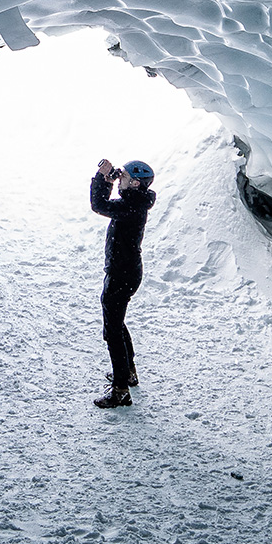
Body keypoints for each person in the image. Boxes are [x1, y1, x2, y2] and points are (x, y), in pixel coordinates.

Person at [90, 157, 156, 408]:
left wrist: (100, 179)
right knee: (117, 323)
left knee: (112, 331)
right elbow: (108, 203)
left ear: (136, 184)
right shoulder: (136, 202)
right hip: (126, 272)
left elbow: (99, 205)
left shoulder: (132, 207)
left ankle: (121, 390)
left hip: (121, 274)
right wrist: (110, 181)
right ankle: (128, 373)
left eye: (125, 178)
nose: (121, 180)